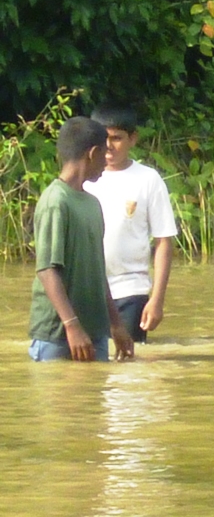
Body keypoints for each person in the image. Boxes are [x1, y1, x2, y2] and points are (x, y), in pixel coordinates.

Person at [28, 117, 135, 361]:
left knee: (90, 398)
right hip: (57, 334)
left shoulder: (92, 204)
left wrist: (116, 324)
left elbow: (98, 271)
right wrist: (72, 325)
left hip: (94, 332)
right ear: (93, 153)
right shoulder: (55, 201)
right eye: (104, 154)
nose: (106, 162)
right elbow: (47, 270)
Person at [84, 102, 178, 342]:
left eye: (117, 138)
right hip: (88, 292)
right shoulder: (84, 178)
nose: (109, 146)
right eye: (103, 138)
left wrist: (156, 300)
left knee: (130, 371)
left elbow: (163, 241)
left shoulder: (148, 179)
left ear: (133, 139)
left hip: (131, 291)